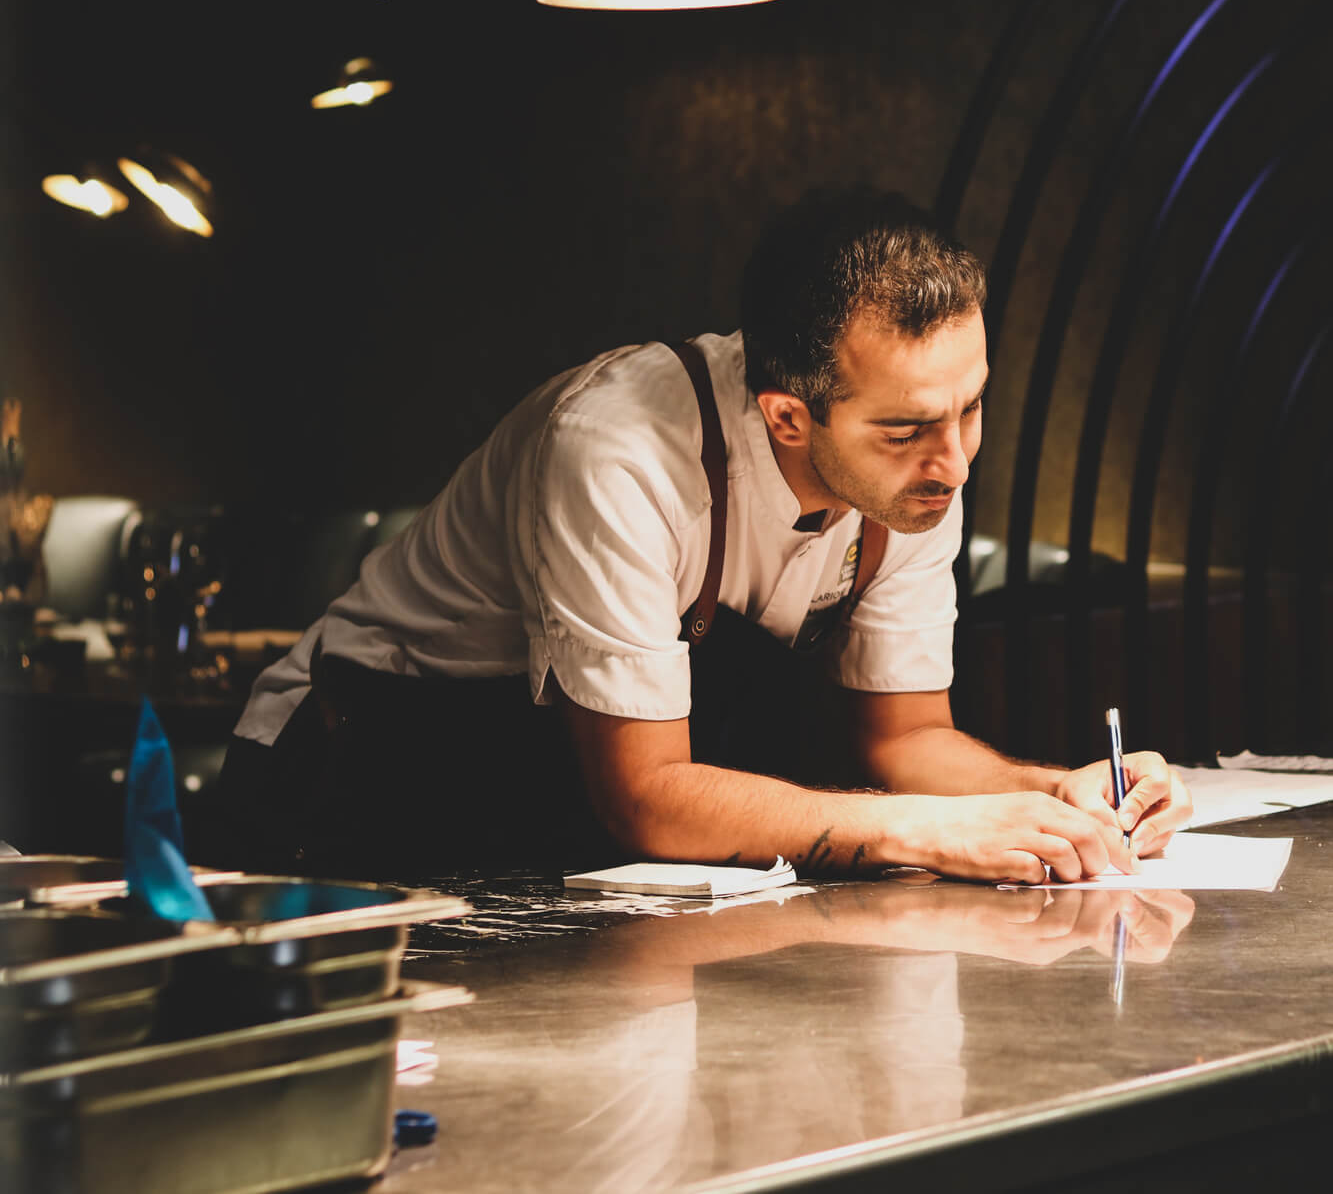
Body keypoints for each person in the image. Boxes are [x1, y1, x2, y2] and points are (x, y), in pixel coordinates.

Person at [213, 189, 1191, 880]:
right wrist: (935, 833)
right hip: (349, 780)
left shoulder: (919, 469)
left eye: (971, 408)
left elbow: (907, 739)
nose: (954, 459)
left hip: (533, 814)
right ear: (785, 416)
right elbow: (643, 793)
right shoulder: (615, 450)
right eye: (906, 429)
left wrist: (1055, 798)